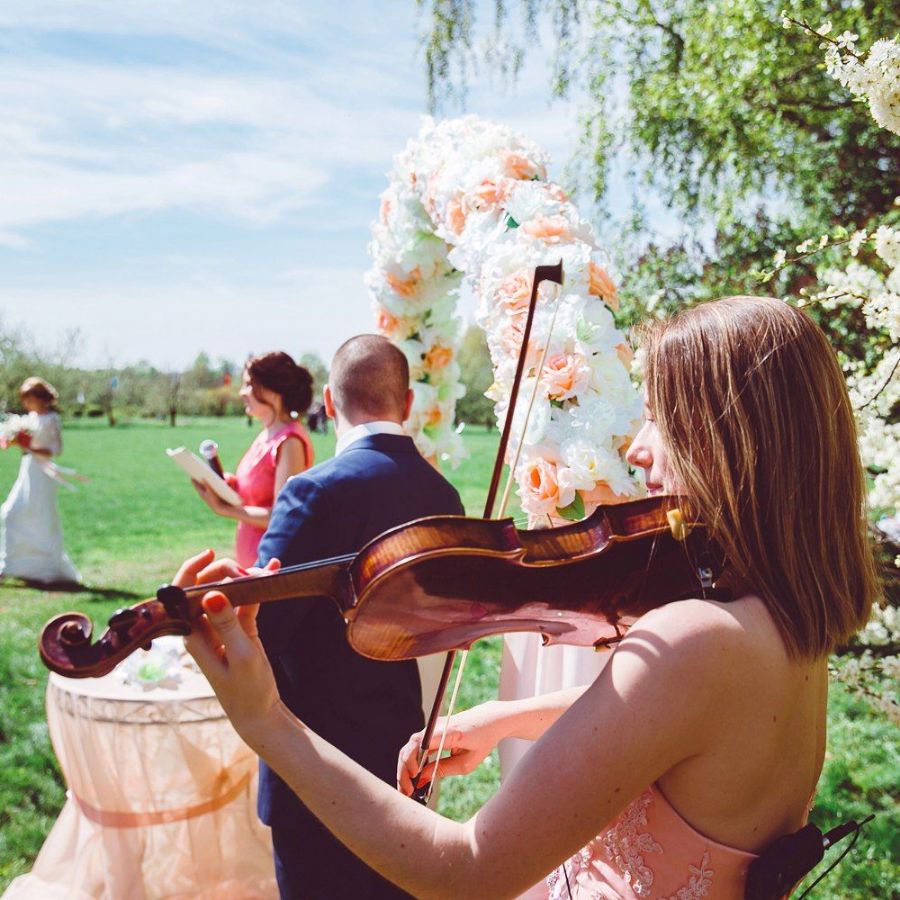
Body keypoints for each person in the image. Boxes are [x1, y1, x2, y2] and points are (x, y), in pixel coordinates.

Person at [176, 297, 877, 899]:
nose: (638, 450)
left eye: (658, 419)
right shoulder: (787, 622)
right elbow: (671, 716)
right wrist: (505, 717)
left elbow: (464, 871)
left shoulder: (696, 639)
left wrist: (266, 722)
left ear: (731, 443)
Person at [233, 334, 465, 899]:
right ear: (406, 404)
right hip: (401, 750)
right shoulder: (445, 497)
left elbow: (259, 633)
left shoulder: (313, 493)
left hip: (317, 766)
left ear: (330, 404)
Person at [193, 352, 314, 568]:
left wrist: (226, 509)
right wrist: (230, 487)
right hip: (251, 562)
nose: (242, 392)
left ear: (273, 391)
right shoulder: (266, 434)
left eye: (249, 385)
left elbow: (282, 515)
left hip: (270, 566)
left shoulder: (290, 442)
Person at [0, 377, 81, 584]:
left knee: (42, 518)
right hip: (27, 469)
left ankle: (46, 567)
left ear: (40, 398)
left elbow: (55, 450)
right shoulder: (29, 418)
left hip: (43, 471)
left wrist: (28, 445)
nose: (26, 404)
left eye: (29, 399)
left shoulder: (52, 419)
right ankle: (9, 565)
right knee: (11, 513)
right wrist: (13, 441)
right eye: (24, 400)